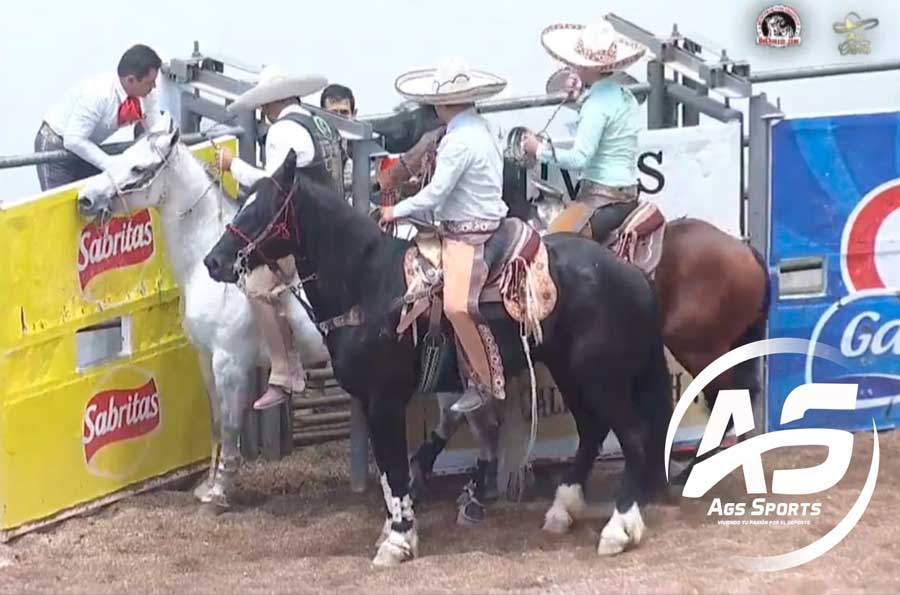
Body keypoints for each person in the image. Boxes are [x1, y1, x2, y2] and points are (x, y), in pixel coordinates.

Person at [378, 57, 509, 413]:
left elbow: (436, 193)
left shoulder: (458, 141)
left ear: (444, 103)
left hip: (470, 232)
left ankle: (484, 381)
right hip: (475, 221)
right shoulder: (480, 128)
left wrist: (395, 210)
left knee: (455, 305)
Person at [216, 65, 342, 410]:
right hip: (336, 217)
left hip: (307, 227)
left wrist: (231, 166)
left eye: (264, 105)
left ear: (273, 102)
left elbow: (272, 187)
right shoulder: (321, 124)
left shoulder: (283, 131)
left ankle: (285, 373)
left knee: (257, 285)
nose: (262, 112)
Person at [521, 21, 647, 242]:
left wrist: (538, 149)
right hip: (628, 194)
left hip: (602, 199)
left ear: (588, 67)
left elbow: (580, 157)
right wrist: (580, 96)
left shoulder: (595, 105)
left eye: (577, 64)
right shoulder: (624, 95)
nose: (574, 68)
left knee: (554, 241)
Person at [36, 44, 165, 191]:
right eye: (149, 82)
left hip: (83, 146)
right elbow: (73, 139)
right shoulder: (99, 94)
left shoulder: (147, 93)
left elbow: (156, 129)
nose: (154, 86)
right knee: (58, 207)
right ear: (131, 80)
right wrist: (111, 164)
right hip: (55, 142)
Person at [320, 83, 358, 199]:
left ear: (354, 114)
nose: (339, 118)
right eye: (333, 113)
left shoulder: (364, 145)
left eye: (344, 112)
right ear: (321, 114)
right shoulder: (314, 148)